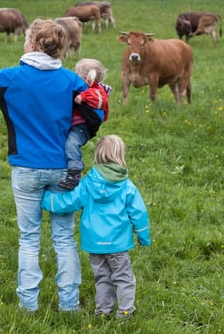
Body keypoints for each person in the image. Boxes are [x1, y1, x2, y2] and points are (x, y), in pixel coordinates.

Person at [0, 19, 87, 312]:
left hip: (26, 169)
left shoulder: (12, 78)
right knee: (64, 237)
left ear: (32, 44)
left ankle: (29, 306)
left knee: (29, 237)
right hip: (64, 170)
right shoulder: (71, 81)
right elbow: (94, 109)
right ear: (60, 48)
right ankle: (70, 304)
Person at [42, 135, 151, 319]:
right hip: (118, 244)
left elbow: (70, 201)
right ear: (120, 156)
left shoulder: (88, 183)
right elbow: (139, 214)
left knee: (102, 278)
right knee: (123, 278)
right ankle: (125, 311)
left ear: (98, 156)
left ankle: (103, 312)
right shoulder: (126, 186)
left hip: (94, 244)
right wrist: (143, 237)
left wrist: (47, 199)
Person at [58, 58, 111, 190]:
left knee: (71, 144)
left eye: (77, 73)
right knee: (65, 144)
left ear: (87, 78)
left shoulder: (97, 89)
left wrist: (83, 97)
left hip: (82, 127)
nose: (74, 75)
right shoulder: (83, 87)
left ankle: (75, 172)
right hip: (73, 125)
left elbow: (100, 99)